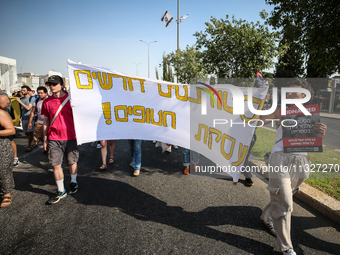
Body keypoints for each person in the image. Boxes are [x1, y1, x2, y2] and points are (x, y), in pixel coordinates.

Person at [258, 80, 327, 255]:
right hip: (279, 158)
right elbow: (259, 121)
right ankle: (287, 248)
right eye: (287, 93)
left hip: (301, 162)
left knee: (283, 195)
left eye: (293, 92)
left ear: (304, 96)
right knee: (286, 202)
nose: (288, 95)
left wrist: (321, 133)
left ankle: (268, 216)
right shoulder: (280, 111)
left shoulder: (311, 114)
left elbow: (314, 140)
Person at [41, 75, 79, 204]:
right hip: (53, 138)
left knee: (71, 162)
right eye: (50, 84)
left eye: (54, 84)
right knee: (55, 164)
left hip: (70, 137)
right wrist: (45, 139)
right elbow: (46, 121)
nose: (51, 86)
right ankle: (61, 191)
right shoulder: (47, 102)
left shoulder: (71, 100)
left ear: (62, 84)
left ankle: (73, 182)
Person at [0, 97, 16, 208]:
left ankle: (7, 194)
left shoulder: (1, 113)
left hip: (2, 145)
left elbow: (11, 130)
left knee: (2, 171)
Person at [16, 85, 36, 152]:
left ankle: (29, 146)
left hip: (30, 118)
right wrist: (19, 118)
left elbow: (28, 108)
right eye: (22, 90)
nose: (22, 91)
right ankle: (35, 139)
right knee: (26, 132)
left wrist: (19, 102)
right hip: (23, 118)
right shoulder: (21, 99)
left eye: (24, 90)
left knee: (30, 132)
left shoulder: (32, 99)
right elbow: (19, 110)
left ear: (28, 91)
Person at [28, 86, 48, 151]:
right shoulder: (36, 100)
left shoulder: (50, 100)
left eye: (41, 93)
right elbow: (33, 111)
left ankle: (49, 148)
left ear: (46, 93)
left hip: (49, 122)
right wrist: (30, 122)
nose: (40, 94)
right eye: (38, 93)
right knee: (39, 136)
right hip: (39, 121)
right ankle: (47, 146)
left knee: (50, 137)